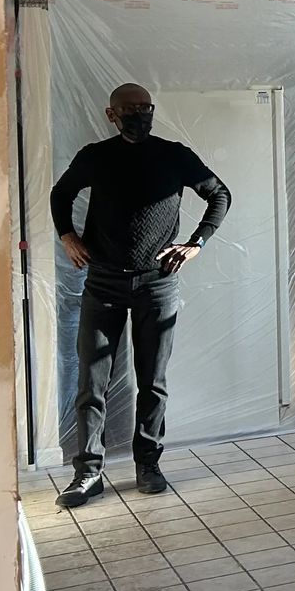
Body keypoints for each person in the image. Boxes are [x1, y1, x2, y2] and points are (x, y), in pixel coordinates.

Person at [50, 82, 231, 508]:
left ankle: (148, 464)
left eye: (145, 107)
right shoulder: (96, 156)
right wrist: (67, 236)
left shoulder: (174, 155)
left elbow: (218, 193)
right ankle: (88, 473)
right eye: (129, 109)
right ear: (111, 114)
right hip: (104, 283)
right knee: (92, 382)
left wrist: (196, 243)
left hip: (157, 282)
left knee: (153, 381)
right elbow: (61, 194)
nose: (138, 114)